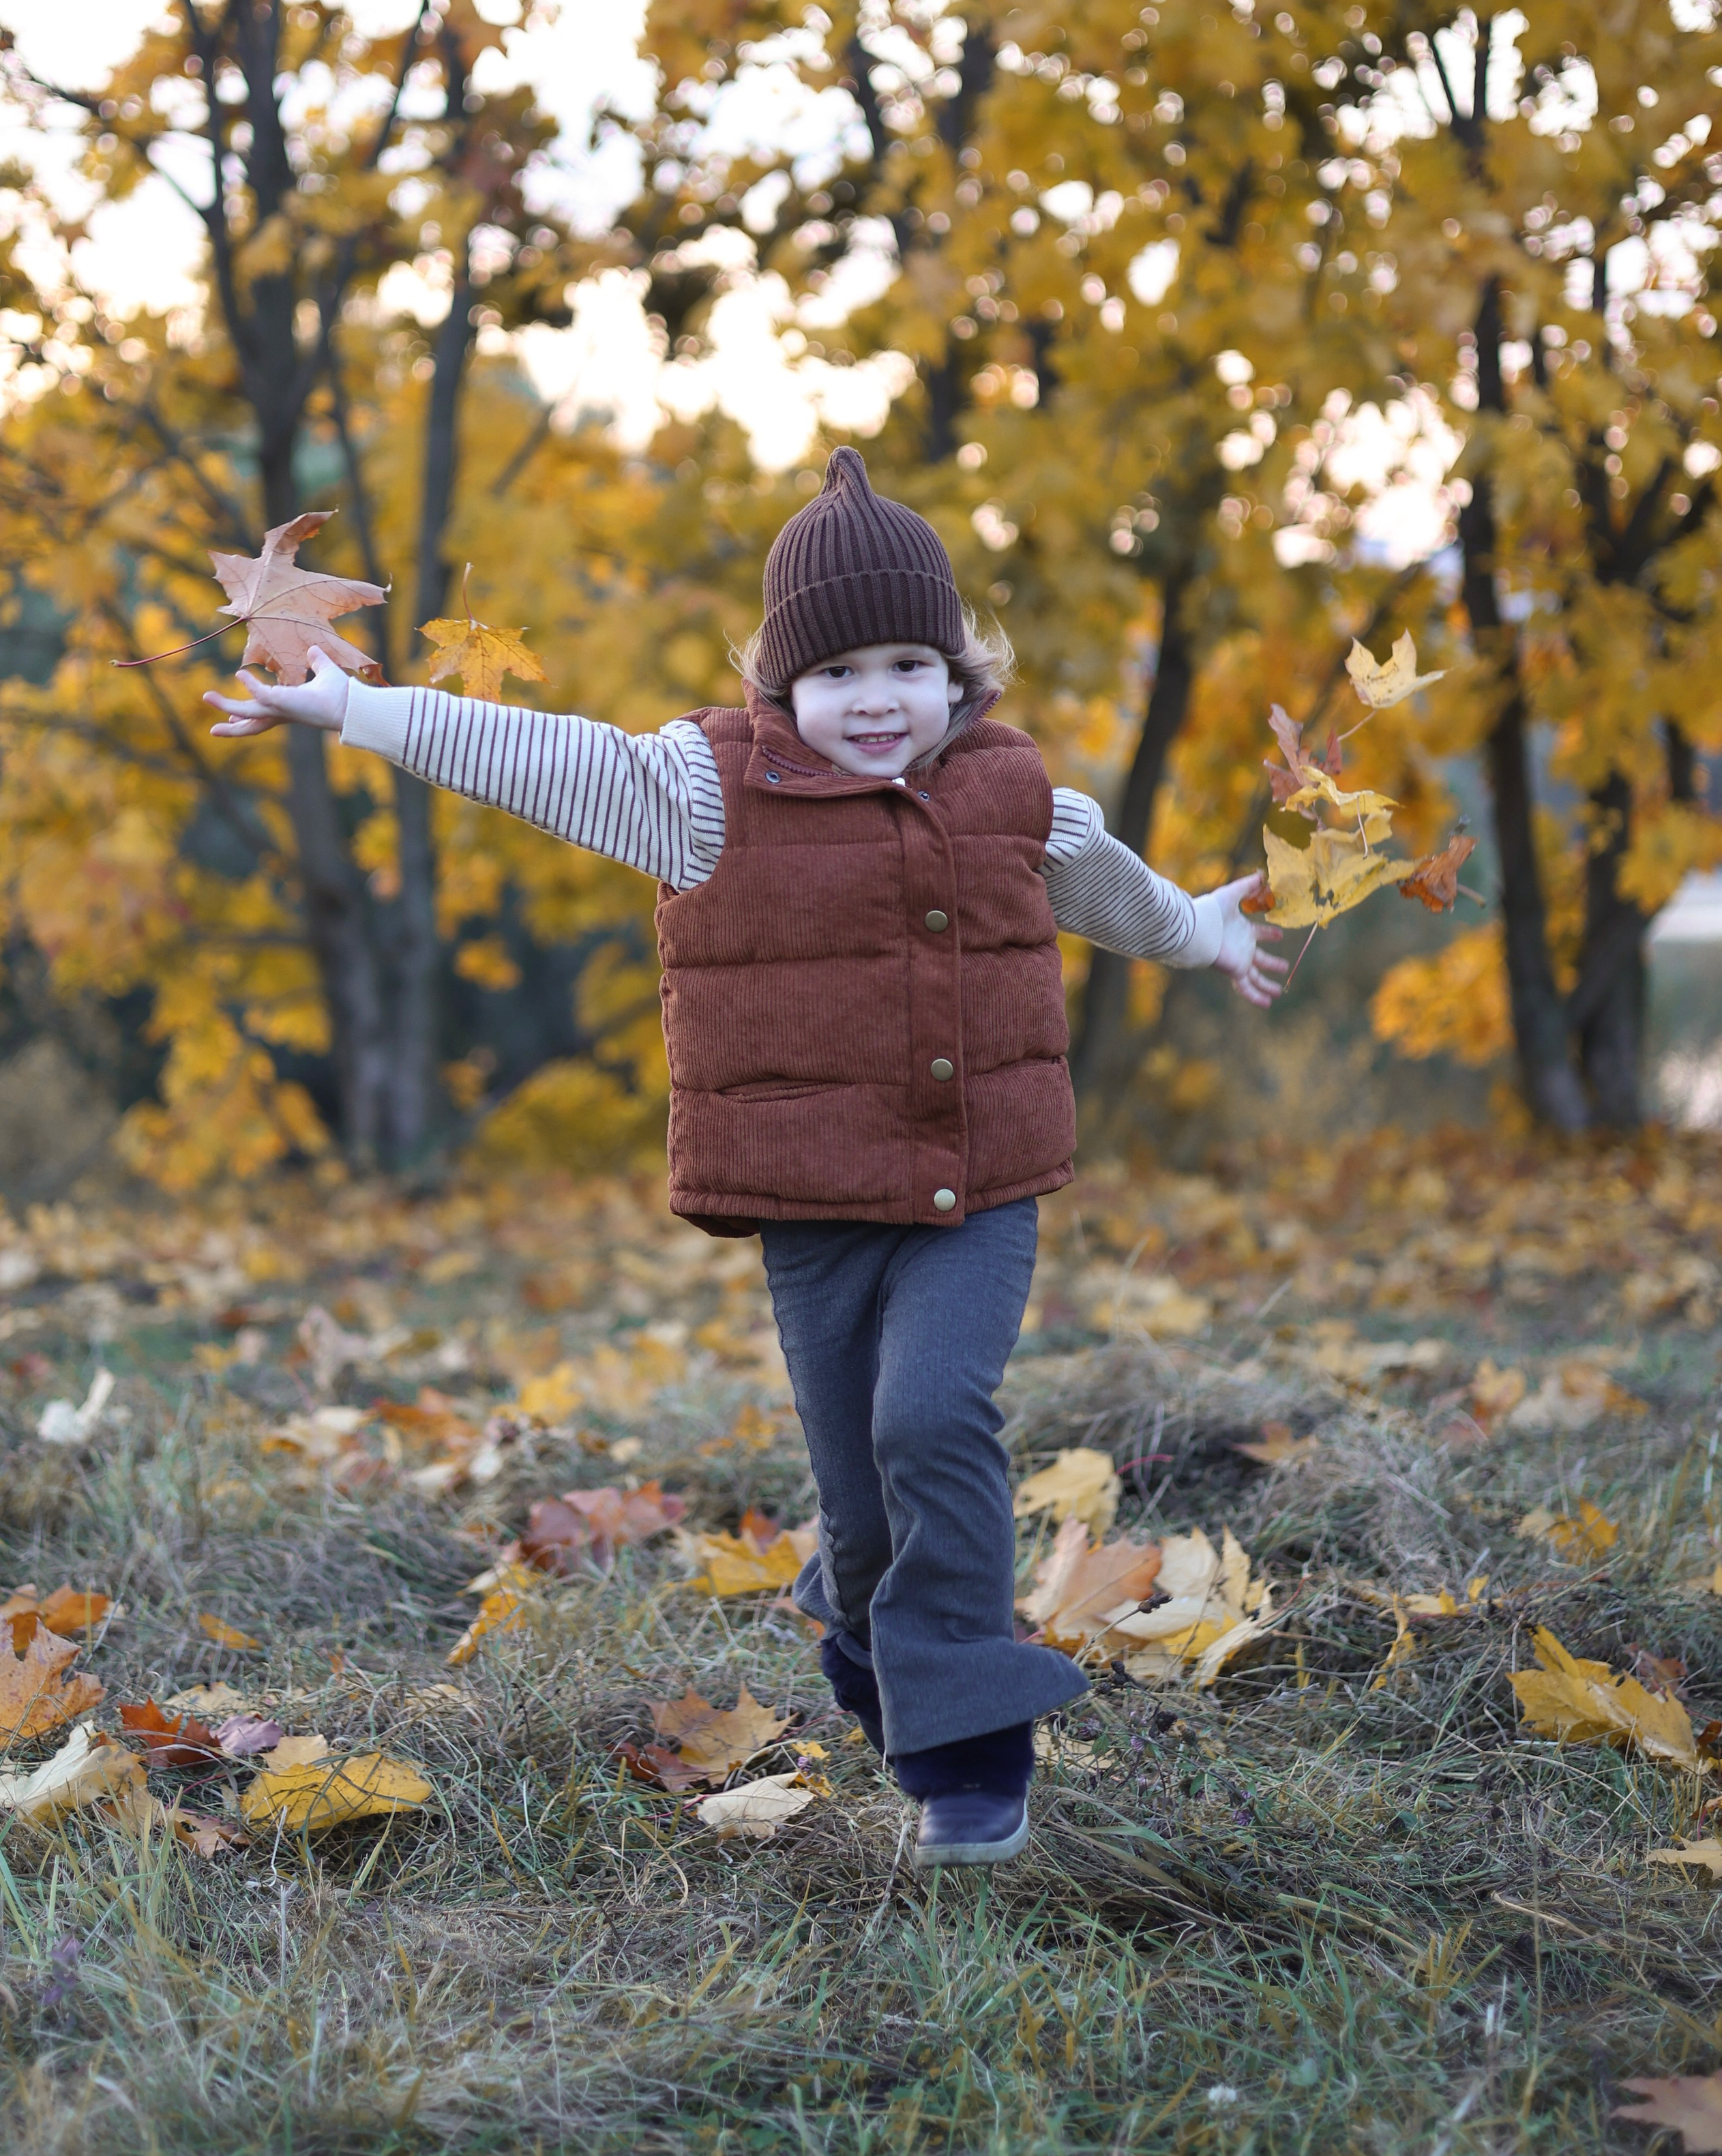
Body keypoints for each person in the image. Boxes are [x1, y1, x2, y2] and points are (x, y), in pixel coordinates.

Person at [207, 447, 1286, 1869]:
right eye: (838, 673)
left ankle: (967, 1757)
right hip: (812, 1205)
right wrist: (352, 707)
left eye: (909, 665)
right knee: (861, 1505)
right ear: (782, 684)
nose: (877, 698)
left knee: (930, 1425)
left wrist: (1201, 931)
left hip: (974, 1190)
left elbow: (1116, 892)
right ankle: (870, 1630)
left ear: (958, 673)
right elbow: (542, 754)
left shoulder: (1015, 795)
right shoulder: (703, 792)